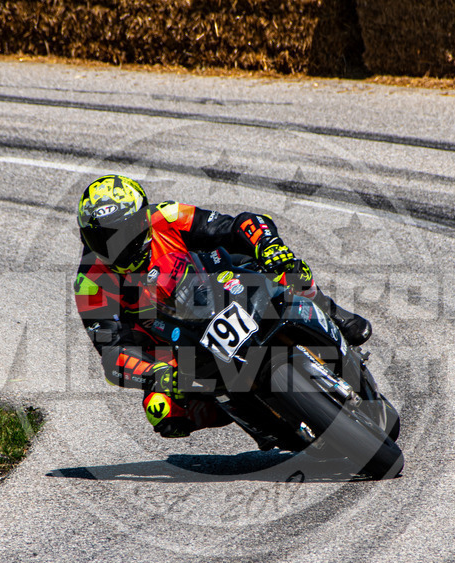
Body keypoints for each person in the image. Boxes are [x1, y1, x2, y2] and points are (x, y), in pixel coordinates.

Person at [74, 174, 372, 438]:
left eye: (123, 232)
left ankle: (333, 313)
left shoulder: (166, 216)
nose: (116, 246)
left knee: (287, 270)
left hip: (223, 283)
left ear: (141, 219)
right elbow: (112, 354)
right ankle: (264, 419)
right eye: (102, 238)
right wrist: (156, 372)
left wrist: (268, 246)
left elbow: (236, 225)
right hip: (174, 343)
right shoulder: (90, 283)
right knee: (162, 410)